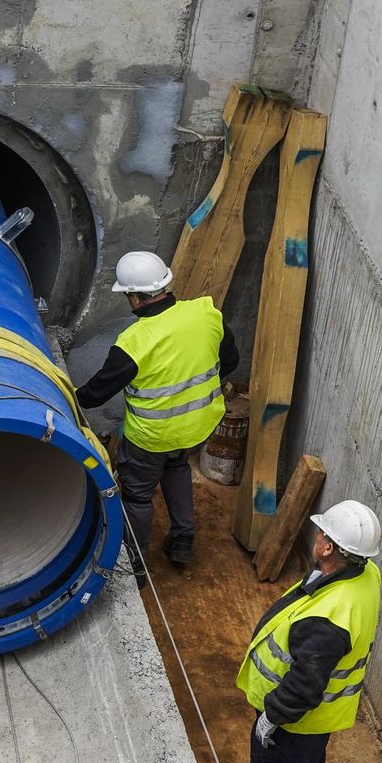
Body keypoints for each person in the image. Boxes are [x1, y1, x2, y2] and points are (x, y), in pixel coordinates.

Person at [76, 250, 238, 584]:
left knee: (137, 496)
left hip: (152, 438)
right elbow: (231, 362)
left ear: (135, 297)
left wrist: (67, 396)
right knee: (177, 466)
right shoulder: (207, 313)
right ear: (164, 284)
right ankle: (182, 539)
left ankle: (133, 564)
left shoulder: (135, 342)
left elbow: (96, 393)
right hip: (198, 428)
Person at [236, 500, 382, 763]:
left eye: (321, 535)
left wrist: (271, 718)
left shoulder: (325, 623)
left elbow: (304, 686)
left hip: (292, 728)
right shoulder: (367, 573)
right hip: (315, 727)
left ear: (329, 549)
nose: (316, 536)